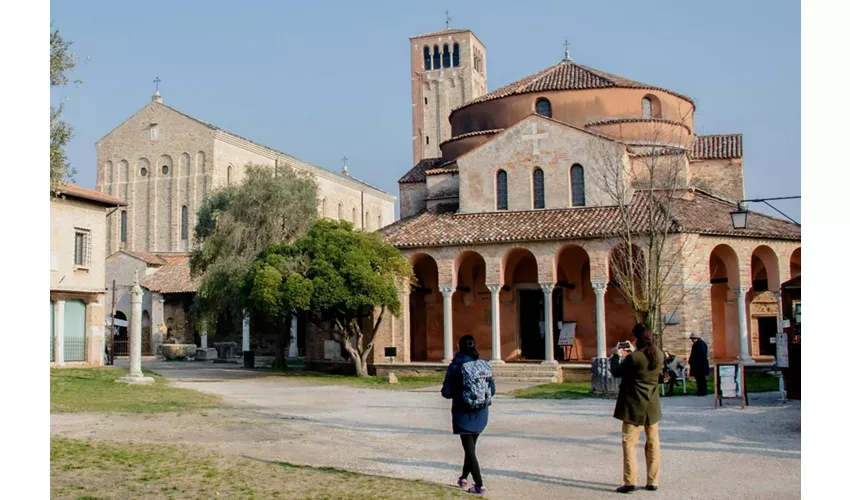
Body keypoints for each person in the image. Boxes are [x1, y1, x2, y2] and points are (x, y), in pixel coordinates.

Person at [611, 323, 665, 493]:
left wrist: (615, 356)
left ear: (637, 339)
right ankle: (652, 480)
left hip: (634, 405)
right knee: (653, 443)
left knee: (629, 443)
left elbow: (617, 372)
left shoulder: (634, 358)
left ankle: (630, 481)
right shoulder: (659, 354)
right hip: (652, 405)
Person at [441, 334, 496, 495]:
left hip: (462, 412)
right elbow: (492, 390)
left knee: (469, 450)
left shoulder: (456, 366)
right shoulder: (483, 365)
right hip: (481, 412)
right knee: (470, 448)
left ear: (459, 347)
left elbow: (447, 392)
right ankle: (463, 477)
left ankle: (479, 485)